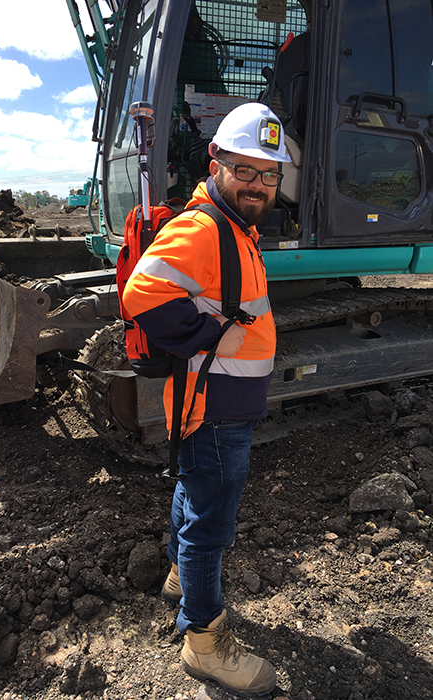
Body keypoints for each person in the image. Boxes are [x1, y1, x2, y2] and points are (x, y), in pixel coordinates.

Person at [122, 102, 290, 697]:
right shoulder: (202, 228)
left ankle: (177, 576)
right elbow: (142, 295)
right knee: (211, 525)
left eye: (269, 174)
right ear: (216, 161)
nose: (259, 185)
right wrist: (208, 337)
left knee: (195, 498)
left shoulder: (236, 226)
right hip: (212, 403)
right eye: (245, 170)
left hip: (224, 398)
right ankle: (204, 643)